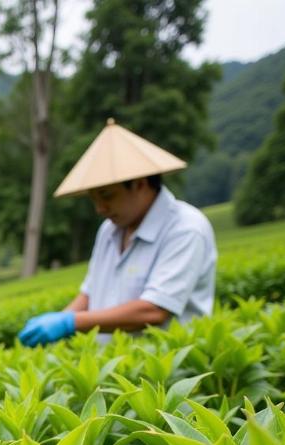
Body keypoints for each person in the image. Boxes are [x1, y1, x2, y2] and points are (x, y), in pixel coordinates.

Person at [18, 119, 217, 347]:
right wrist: (57, 321)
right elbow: (90, 294)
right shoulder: (108, 231)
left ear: (140, 184)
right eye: (94, 198)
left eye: (107, 195)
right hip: (116, 368)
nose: (100, 208)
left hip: (168, 374)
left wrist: (70, 322)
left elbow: (154, 310)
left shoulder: (185, 228)